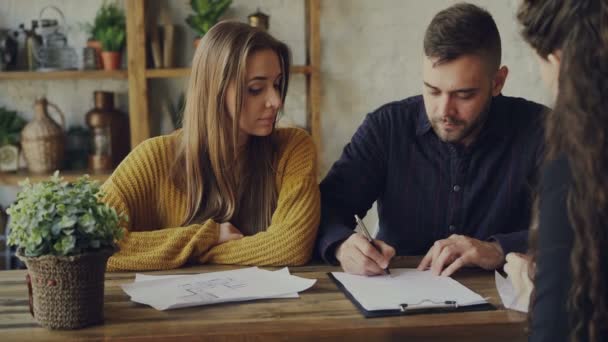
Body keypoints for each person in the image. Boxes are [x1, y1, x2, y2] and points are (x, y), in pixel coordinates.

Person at [316, 3, 546, 276]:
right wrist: (342, 245)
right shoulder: (386, 128)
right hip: (397, 303)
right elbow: (325, 208)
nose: (443, 111)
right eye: (433, 90)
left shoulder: (542, 130)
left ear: (497, 82)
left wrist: (498, 249)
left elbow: (581, 225)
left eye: (464, 95)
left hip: (505, 308)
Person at [101, 21, 320, 271]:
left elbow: (292, 246)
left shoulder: (292, 148)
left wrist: (192, 252)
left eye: (277, 84)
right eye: (255, 89)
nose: (276, 101)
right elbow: (92, 242)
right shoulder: (154, 157)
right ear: (213, 90)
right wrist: (209, 235)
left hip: (274, 309)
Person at [504, 1, 608, 341]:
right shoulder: (387, 125)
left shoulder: (579, 171)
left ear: (558, 60)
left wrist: (533, 289)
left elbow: (554, 330)